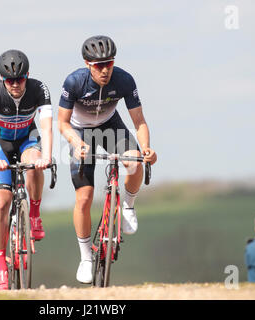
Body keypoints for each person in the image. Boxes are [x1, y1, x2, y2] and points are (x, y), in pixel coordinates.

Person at [57, 35, 157, 284]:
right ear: (87, 63)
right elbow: (62, 122)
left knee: (134, 161)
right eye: (99, 65)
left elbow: (139, 121)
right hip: (81, 132)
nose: (105, 70)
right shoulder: (74, 82)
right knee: (84, 197)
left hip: (110, 125)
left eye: (109, 64)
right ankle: (85, 257)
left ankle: (128, 205)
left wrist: (145, 148)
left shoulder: (124, 80)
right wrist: (76, 142)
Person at [0, 49, 53, 290]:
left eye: (20, 79)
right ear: (3, 80)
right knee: (1, 203)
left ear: (27, 76)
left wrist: (48, 157)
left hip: (27, 139)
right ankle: (1, 267)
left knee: (34, 162)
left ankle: (34, 214)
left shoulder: (38, 89)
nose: (15, 84)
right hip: (2, 145)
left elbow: (47, 126)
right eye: (10, 80)